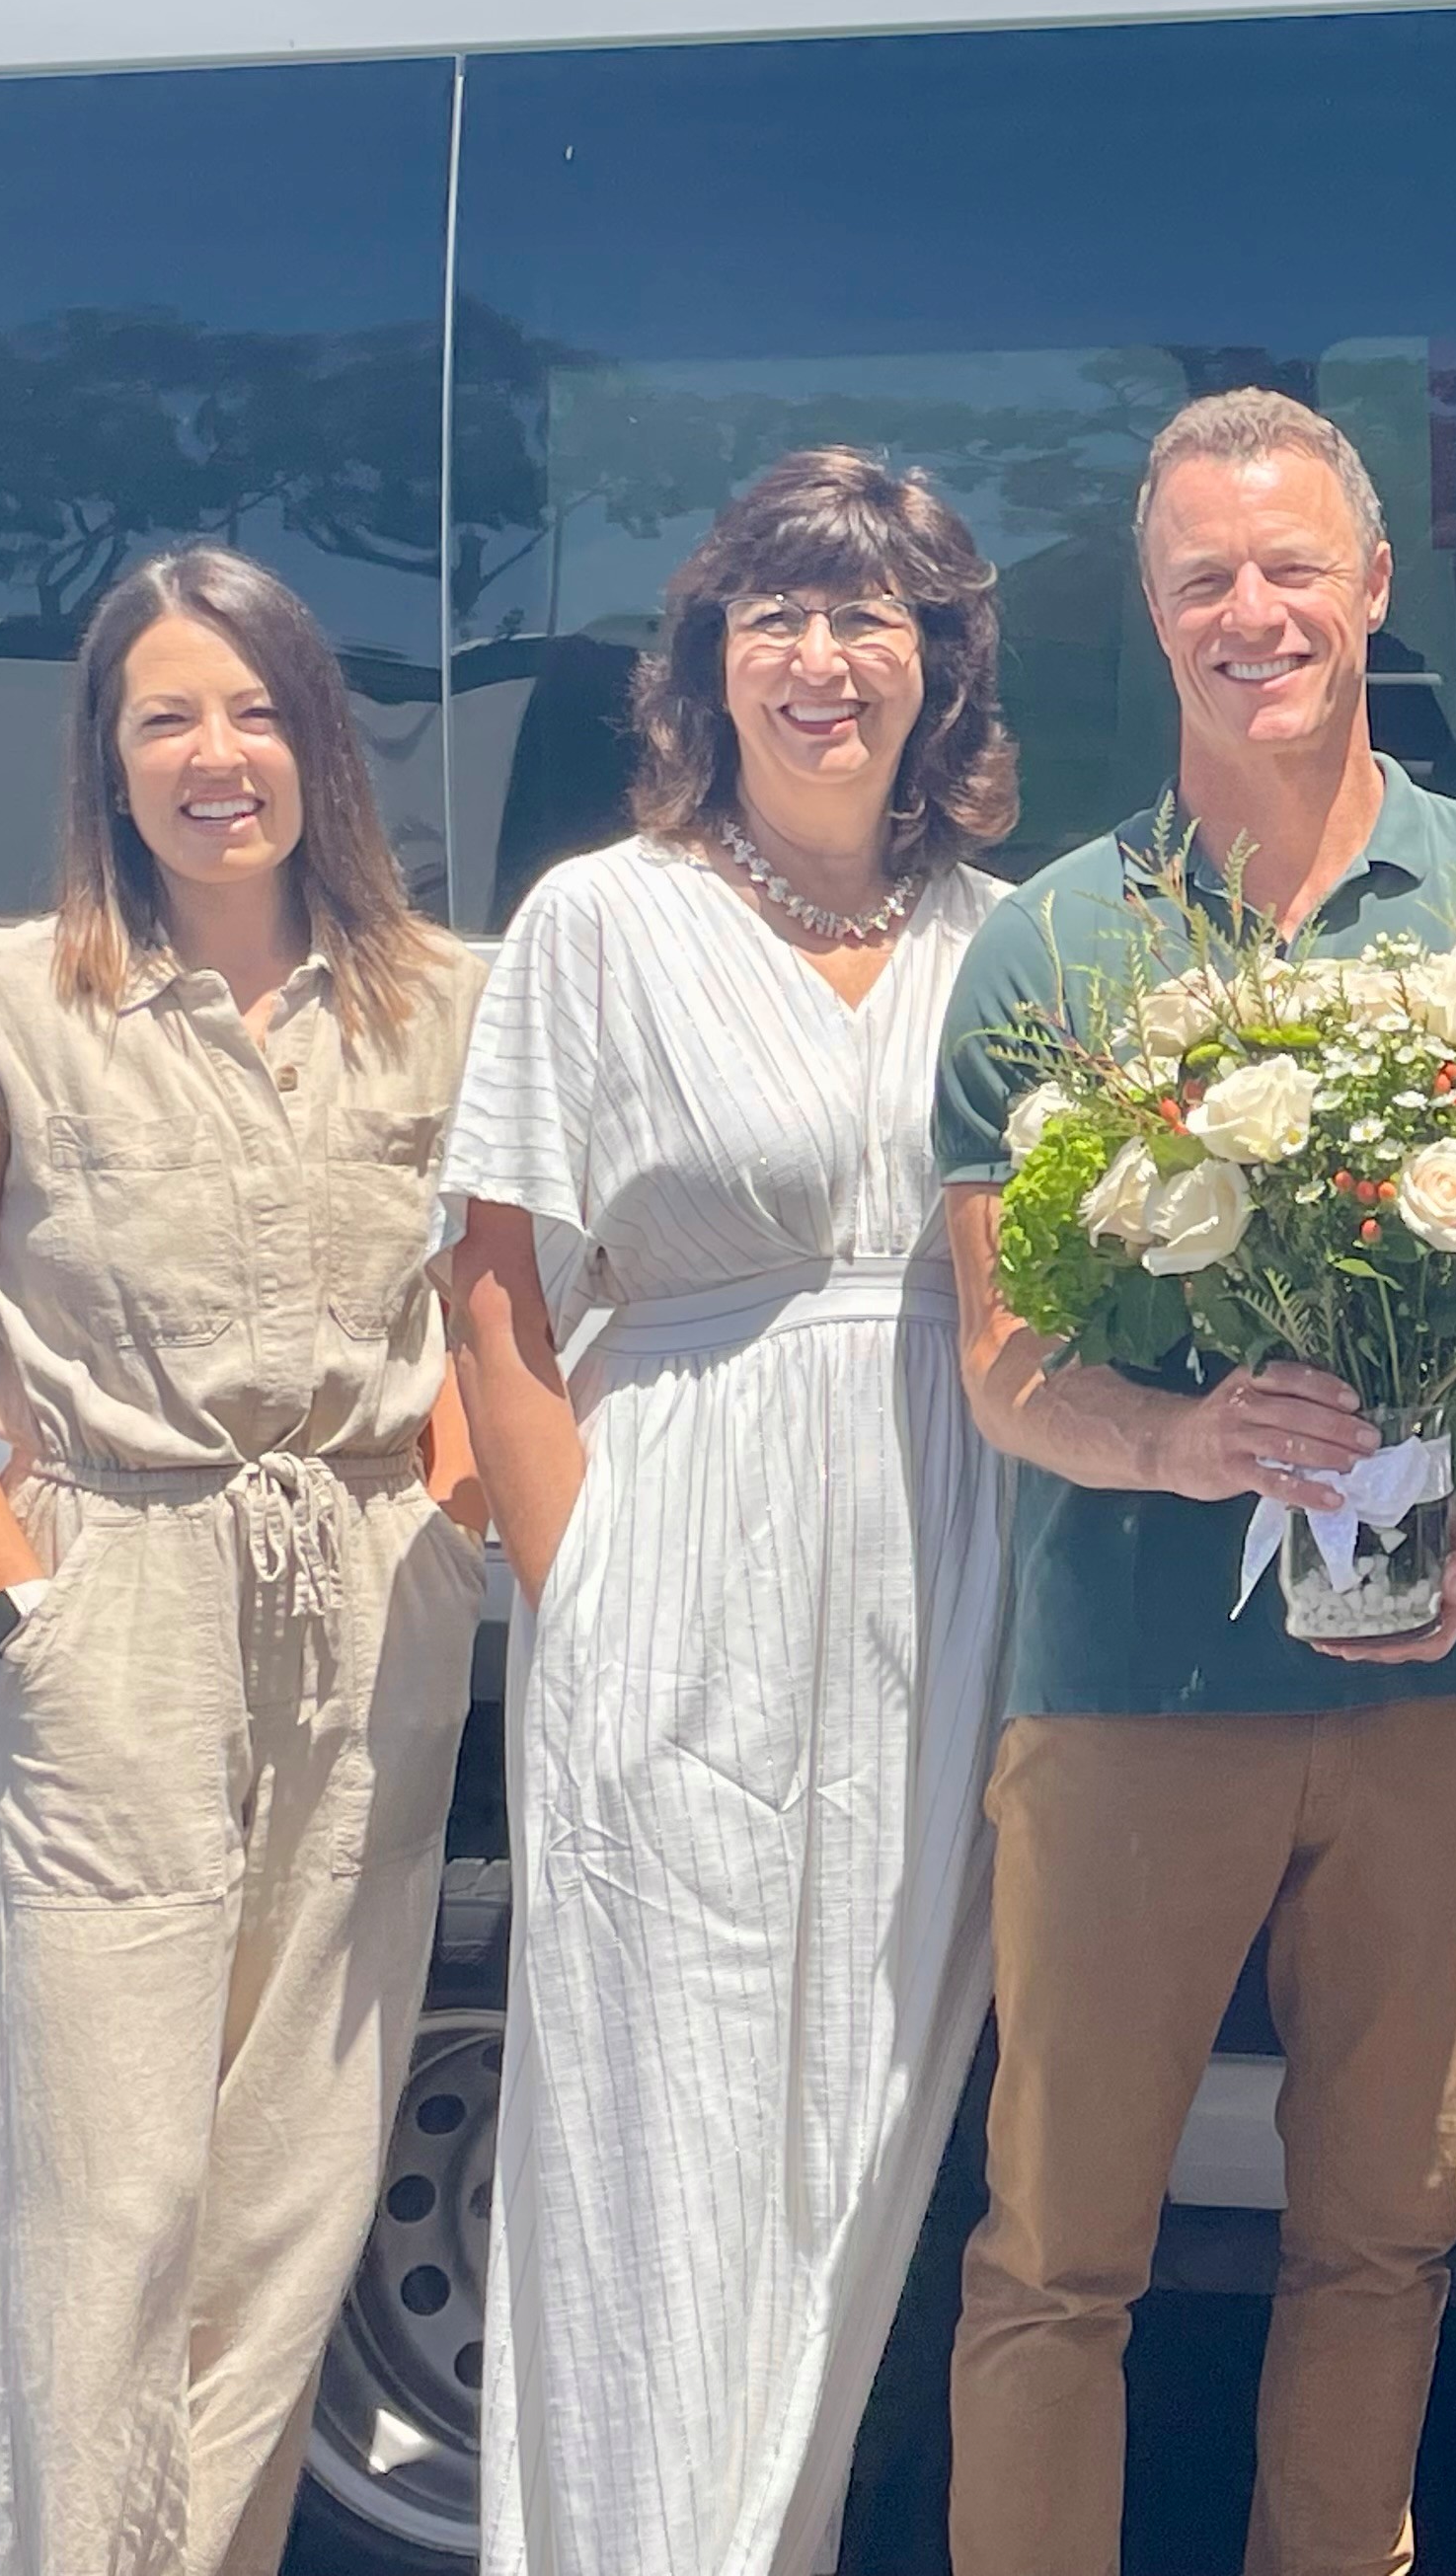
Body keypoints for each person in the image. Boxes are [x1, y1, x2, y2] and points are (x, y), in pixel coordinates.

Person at [933, 388, 1456, 2576]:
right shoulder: (1053, 947)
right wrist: (1181, 1443)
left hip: (1432, 1682)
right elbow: (1001, 1361)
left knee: (1385, 2241)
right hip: (1129, 1693)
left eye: (1294, 567)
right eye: (1206, 578)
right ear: (1155, 614)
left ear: (1373, 586)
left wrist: (1445, 1461)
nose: (1256, 614)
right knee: (1060, 2253)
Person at [0, 548, 487, 2576]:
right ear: (108, 762)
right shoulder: (5, 1010)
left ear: (323, 742)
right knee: (110, 2197)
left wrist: (453, 1523)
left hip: (371, 1592)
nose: (220, 756)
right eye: (167, 719)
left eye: (258, 710)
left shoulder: (445, 1006)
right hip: (116, 1590)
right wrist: (22, 1604)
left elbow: (511, 1305)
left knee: (299, 2183)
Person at [436, 449, 1021, 2576]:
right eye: (776, 614)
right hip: (675, 1569)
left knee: (872, 2140)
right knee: (653, 2135)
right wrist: (582, 1593)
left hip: (943, 1584)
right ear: (710, 659)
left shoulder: (1004, 944)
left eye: (870, 615)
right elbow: (494, 1296)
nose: (821, 657)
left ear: (937, 667)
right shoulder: (602, 920)